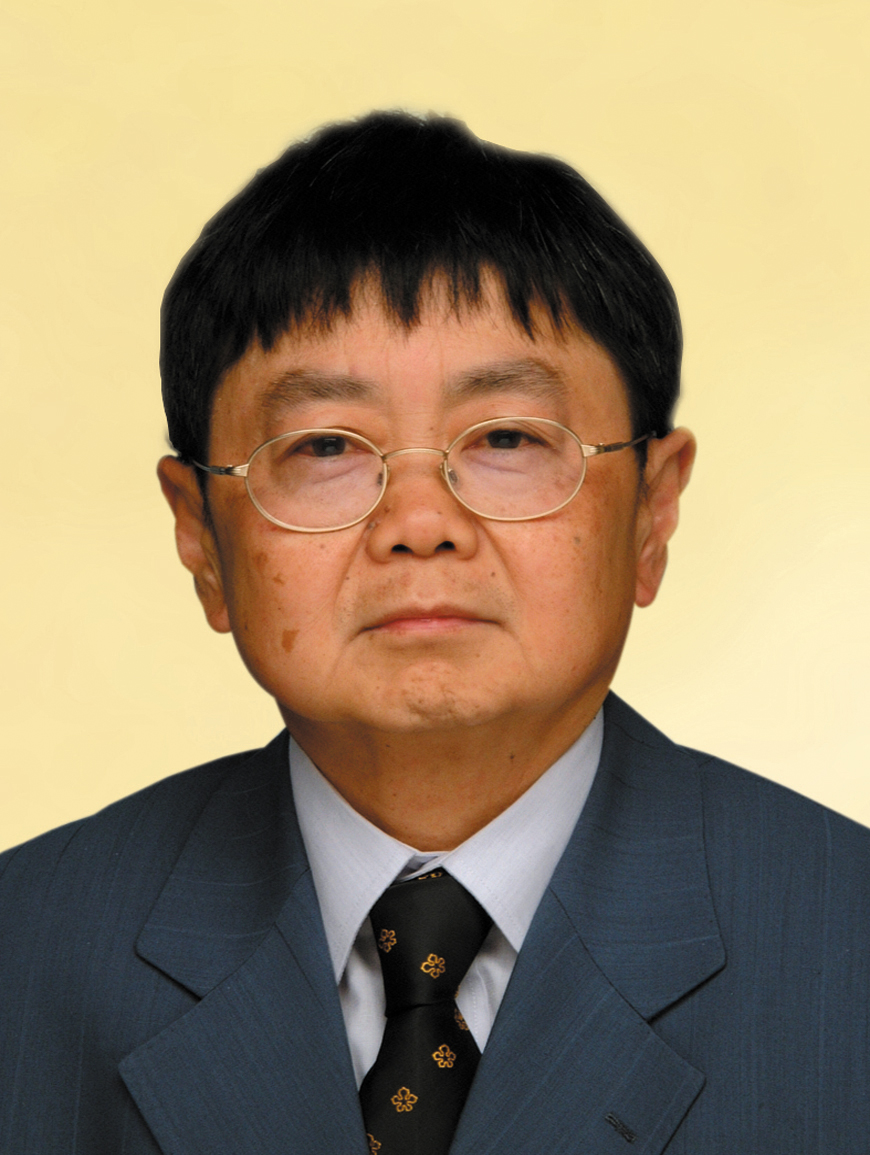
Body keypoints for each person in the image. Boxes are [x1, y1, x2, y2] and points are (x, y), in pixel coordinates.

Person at [1, 111, 868, 1155]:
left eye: (507, 436)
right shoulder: (24, 950)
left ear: (651, 511)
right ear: (200, 536)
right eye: (325, 446)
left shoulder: (846, 947)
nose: (420, 523)